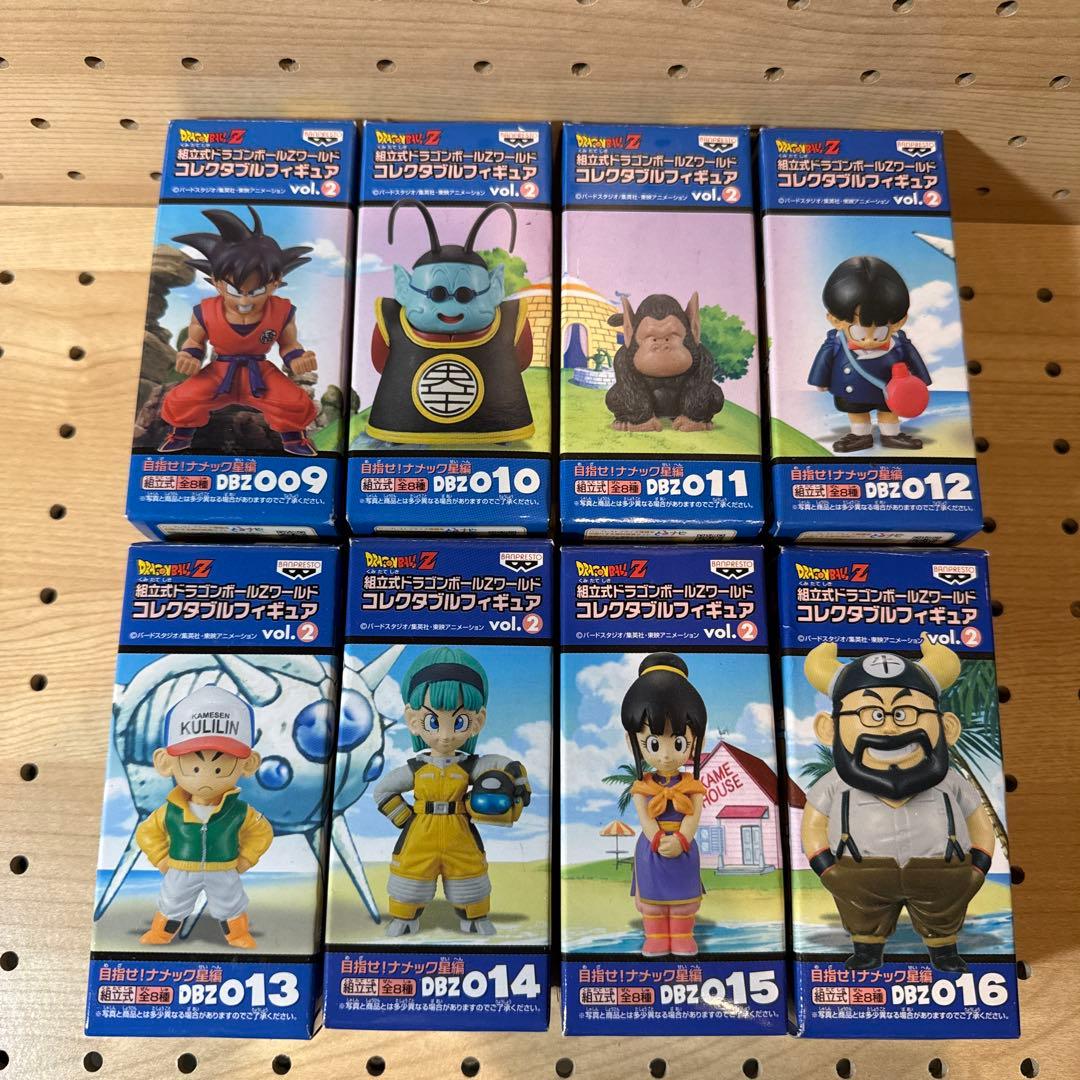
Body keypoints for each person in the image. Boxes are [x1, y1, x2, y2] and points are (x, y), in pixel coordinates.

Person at [801, 636, 995, 972]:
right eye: (872, 714)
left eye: (905, 713)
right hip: (859, 874)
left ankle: (944, 950)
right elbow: (814, 825)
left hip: (943, 873)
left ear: (947, 727)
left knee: (942, 919)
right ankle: (867, 949)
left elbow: (978, 822)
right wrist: (826, 867)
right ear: (828, 728)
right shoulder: (833, 784)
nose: (890, 727)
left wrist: (979, 865)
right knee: (863, 919)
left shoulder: (951, 781)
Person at [373, 647, 530, 936]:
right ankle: (404, 917)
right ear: (413, 720)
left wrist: (518, 780)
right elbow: (383, 790)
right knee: (410, 876)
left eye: (459, 722)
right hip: (420, 833)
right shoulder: (416, 768)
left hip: (460, 831)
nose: (445, 735)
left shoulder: (468, 766)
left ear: (477, 721)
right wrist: (405, 819)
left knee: (469, 875)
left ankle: (474, 917)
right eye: (433, 722)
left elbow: (501, 764)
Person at [157, 205, 319, 455]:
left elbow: (289, 345)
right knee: (181, 399)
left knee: (296, 402)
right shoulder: (205, 311)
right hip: (220, 371)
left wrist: (297, 359)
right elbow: (194, 342)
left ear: (274, 283)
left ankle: (293, 439)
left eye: (256, 291)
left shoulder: (281, 311)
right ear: (217, 282)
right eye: (234, 290)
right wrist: (189, 355)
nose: (245, 301)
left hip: (260, 372)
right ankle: (181, 435)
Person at [135, 685, 271, 949]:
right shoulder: (171, 810)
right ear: (165, 762)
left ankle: (237, 934)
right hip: (181, 867)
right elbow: (147, 832)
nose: (206, 776)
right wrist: (161, 857)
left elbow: (261, 831)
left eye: (220, 768)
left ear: (249, 764)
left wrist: (246, 857)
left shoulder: (239, 811)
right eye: (195, 767)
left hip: (224, 868)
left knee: (230, 901)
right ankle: (161, 932)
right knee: (172, 900)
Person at [621, 652, 708, 956]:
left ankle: (683, 934)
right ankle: (655, 936)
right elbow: (645, 818)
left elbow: (693, 817)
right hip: (652, 846)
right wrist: (658, 840)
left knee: (683, 900)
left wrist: (682, 839)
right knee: (653, 901)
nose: (667, 755)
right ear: (633, 742)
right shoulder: (642, 787)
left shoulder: (693, 786)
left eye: (679, 743)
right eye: (654, 744)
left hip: (683, 846)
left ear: (696, 742)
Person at [808, 256, 931, 452]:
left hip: (890, 388)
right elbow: (824, 360)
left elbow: (913, 358)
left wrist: (921, 381)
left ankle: (891, 434)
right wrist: (820, 380)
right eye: (859, 332)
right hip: (852, 390)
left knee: (889, 410)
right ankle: (860, 435)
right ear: (836, 321)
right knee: (857, 412)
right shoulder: (836, 343)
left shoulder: (899, 344)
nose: (869, 340)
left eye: (880, 332)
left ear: (898, 323)